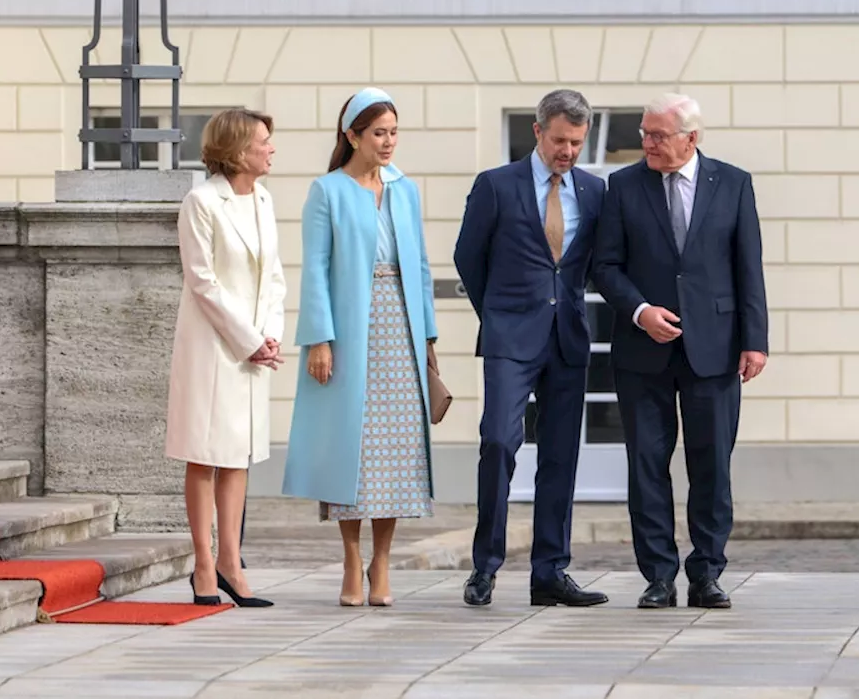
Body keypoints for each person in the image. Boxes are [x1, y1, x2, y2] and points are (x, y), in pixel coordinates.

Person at [592, 93, 768, 610]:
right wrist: (640, 311)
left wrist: (755, 340)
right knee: (646, 464)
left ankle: (707, 573)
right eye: (644, 133)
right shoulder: (622, 187)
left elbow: (748, 265)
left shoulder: (733, 184)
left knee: (711, 464)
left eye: (657, 135)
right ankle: (658, 577)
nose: (646, 143)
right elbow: (605, 266)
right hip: (641, 349)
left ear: (691, 138)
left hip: (715, 349)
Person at [282, 87, 439, 608]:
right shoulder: (326, 191)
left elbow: (418, 267)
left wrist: (430, 338)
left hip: (401, 327)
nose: (389, 141)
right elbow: (316, 269)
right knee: (350, 450)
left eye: (394, 132)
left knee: (395, 452)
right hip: (350, 330)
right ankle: (351, 558)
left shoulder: (405, 189)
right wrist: (319, 341)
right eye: (379, 133)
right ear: (352, 136)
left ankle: (383, 562)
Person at [453, 89, 608, 608]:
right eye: (561, 140)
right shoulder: (496, 185)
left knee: (561, 457)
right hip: (510, 338)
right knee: (498, 442)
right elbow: (468, 257)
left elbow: (592, 263)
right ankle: (485, 567)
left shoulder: (593, 189)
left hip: (567, 338)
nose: (568, 151)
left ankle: (550, 573)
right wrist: (498, 314)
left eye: (577, 143)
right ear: (538, 131)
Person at [165, 108, 285, 609]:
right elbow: (203, 281)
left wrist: (270, 335)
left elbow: (274, 275)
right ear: (237, 150)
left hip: (254, 349)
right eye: (264, 141)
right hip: (213, 346)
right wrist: (246, 338)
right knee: (206, 452)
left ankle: (232, 563)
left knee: (238, 454)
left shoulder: (263, 199)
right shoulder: (201, 202)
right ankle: (203, 564)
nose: (271, 149)